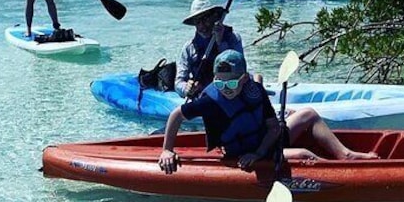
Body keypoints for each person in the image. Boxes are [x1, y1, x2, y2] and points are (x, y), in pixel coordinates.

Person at [158, 50, 377, 174]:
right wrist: (167, 150)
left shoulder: (255, 91)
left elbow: (273, 128)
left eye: (231, 85)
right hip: (243, 151)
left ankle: (345, 155)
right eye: (220, 84)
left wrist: (261, 151)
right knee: (303, 154)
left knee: (308, 113)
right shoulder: (211, 101)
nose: (225, 90)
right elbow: (176, 115)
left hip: (266, 143)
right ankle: (339, 173)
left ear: (244, 79)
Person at [175, 0, 244, 100]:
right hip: (204, 96)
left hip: (232, 92)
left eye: (205, 19)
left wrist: (220, 42)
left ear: (214, 17)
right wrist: (186, 88)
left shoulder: (233, 38)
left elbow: (240, 69)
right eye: (198, 22)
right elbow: (178, 82)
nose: (203, 26)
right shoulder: (189, 48)